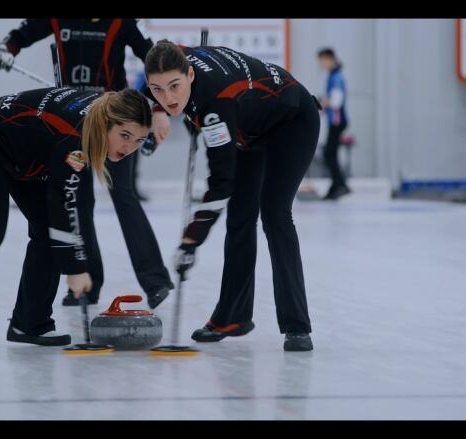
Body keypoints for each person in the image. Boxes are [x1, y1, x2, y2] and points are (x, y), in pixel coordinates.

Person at [0, 88, 152, 351]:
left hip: (28, 152)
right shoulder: (74, 140)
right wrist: (75, 268)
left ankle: (30, 323)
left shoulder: (103, 113)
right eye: (125, 136)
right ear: (105, 122)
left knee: (46, 232)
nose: (129, 148)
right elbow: (64, 205)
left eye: (139, 140)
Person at [144, 40, 320, 351]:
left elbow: (221, 183)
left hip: (292, 119)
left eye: (175, 86)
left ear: (190, 75)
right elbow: (162, 59)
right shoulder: (173, 57)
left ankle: (297, 325)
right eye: (157, 90)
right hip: (250, 126)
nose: (169, 98)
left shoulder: (216, 103)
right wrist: (155, 109)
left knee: (275, 214)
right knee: (240, 217)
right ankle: (232, 317)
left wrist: (191, 240)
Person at [0, 19, 173, 309]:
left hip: (116, 122)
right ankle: (88, 284)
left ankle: (156, 281)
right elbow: (21, 34)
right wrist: (7, 50)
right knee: (77, 197)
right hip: (75, 120)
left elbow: (154, 56)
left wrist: (159, 107)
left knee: (123, 194)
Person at [317, 47, 351, 200]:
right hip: (335, 121)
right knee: (330, 153)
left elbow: (336, 101)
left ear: (330, 59)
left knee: (329, 153)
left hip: (337, 121)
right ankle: (337, 184)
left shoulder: (336, 77)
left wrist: (322, 103)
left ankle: (340, 184)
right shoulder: (333, 75)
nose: (321, 64)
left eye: (322, 61)